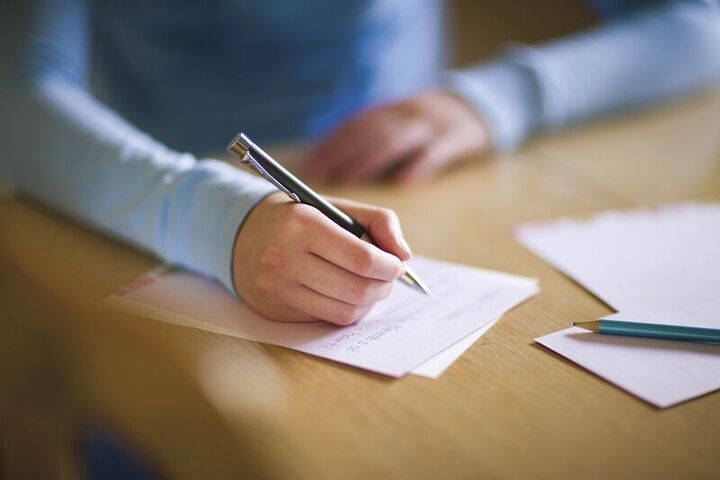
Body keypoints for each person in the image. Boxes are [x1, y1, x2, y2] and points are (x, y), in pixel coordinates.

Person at [0, 0, 717, 325]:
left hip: (420, 182)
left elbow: (700, 22)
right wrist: (215, 218)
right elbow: (15, 100)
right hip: (127, 209)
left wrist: (499, 100)